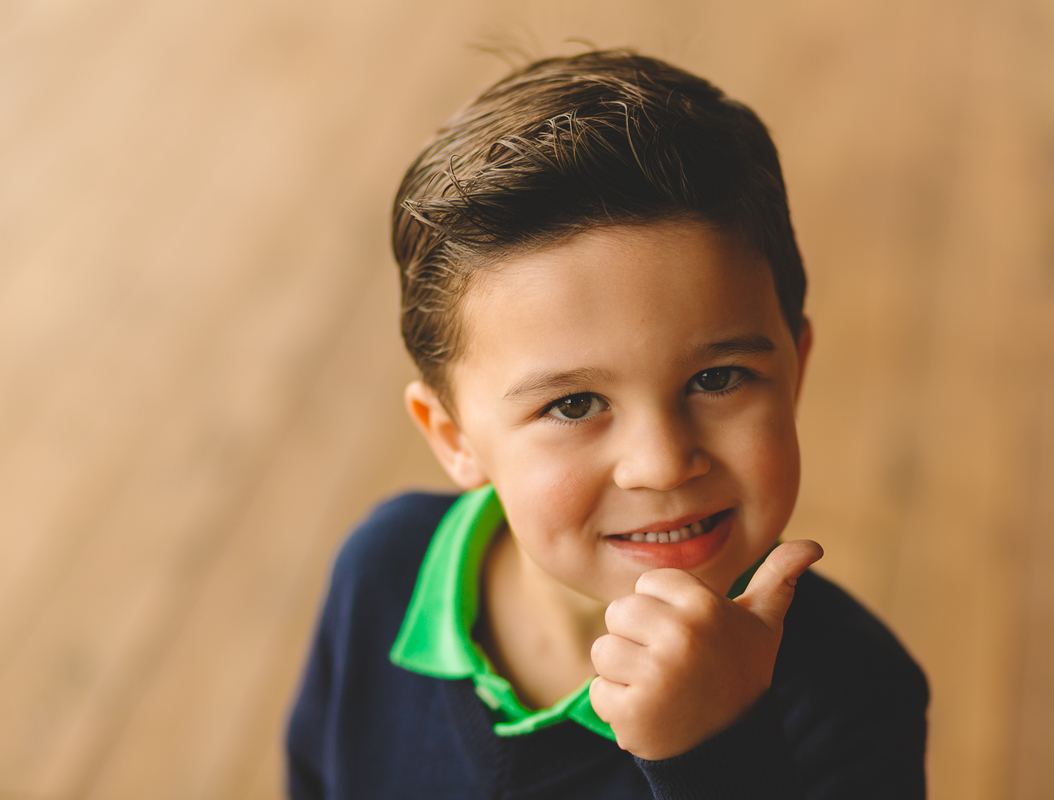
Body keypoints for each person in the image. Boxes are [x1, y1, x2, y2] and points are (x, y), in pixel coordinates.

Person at [286, 49, 928, 799]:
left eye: (715, 379)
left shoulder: (851, 689)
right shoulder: (382, 571)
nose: (660, 463)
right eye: (572, 404)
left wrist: (716, 754)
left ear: (797, 368)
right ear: (454, 436)